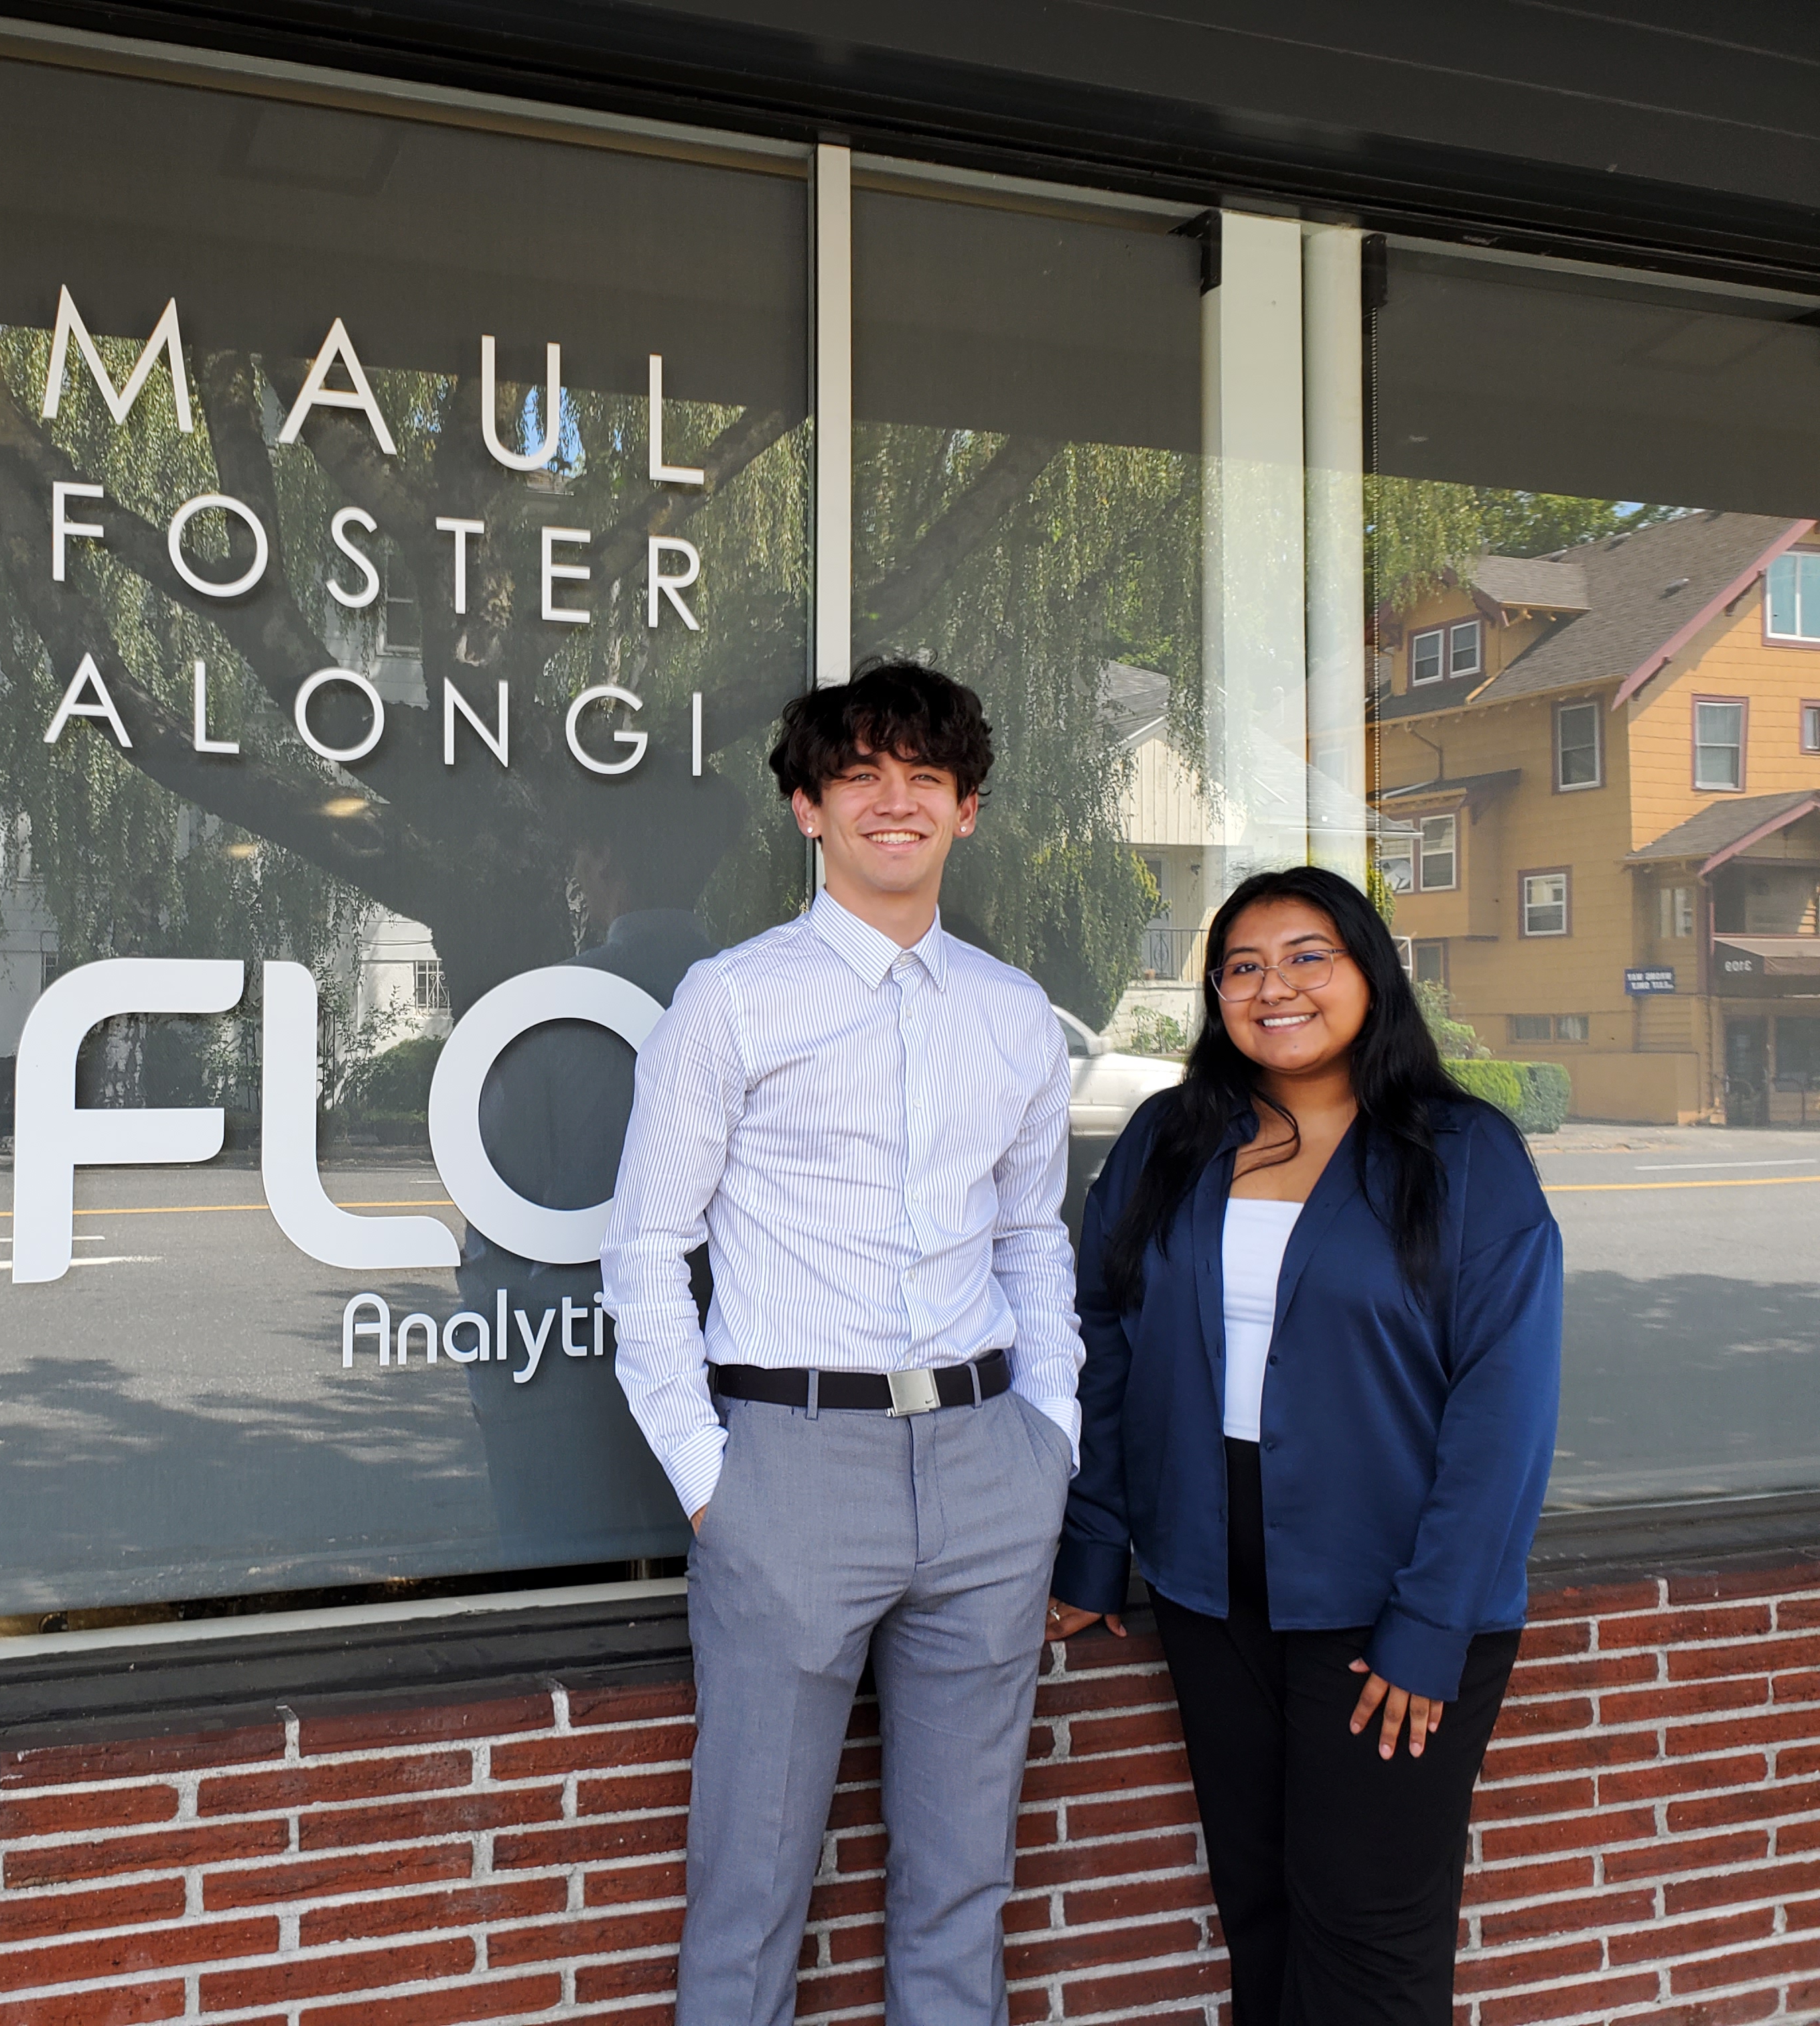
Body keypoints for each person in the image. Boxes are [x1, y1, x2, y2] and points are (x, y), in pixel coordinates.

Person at [603, 661, 1080, 2026]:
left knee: (962, 1886)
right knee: (749, 1890)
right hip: (791, 1473)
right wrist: (712, 1478)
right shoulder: (733, 1001)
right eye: (861, 775)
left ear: (965, 812)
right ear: (808, 808)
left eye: (924, 777)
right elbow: (645, 1249)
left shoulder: (1011, 1013)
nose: (895, 801)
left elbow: (1030, 1238)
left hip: (991, 1470)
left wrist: (1053, 1434)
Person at [1047, 866, 1561, 2026]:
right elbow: (1106, 1338)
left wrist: (1432, 1622)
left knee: (1366, 1925)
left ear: (1369, 972)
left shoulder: (1463, 1153)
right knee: (1263, 1902)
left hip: (1390, 1602)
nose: (1272, 985)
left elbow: (1503, 1409)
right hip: (1207, 1587)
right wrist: (1094, 1542)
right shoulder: (1166, 1140)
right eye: (1241, 964)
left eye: (1306, 955)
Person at [455, 772, 740, 1567]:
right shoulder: (757, 1003)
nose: (576, 872)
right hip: (727, 1367)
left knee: (561, 1605)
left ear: (608, 860)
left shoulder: (550, 1008)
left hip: (565, 1367)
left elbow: (497, 1219)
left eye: (581, 852)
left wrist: (497, 1360)